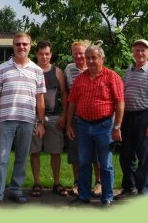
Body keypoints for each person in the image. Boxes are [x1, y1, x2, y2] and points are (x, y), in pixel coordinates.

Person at [0, 32, 46, 208]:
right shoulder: (2, 68)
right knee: (1, 160)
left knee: (22, 158)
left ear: (30, 47)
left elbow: (40, 100)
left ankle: (15, 190)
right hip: (6, 120)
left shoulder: (37, 70)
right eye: (18, 44)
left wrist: (41, 122)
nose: (21, 47)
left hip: (28, 121)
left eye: (24, 44)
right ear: (13, 46)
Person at [66, 45, 124, 206]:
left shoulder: (112, 77)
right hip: (83, 125)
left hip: (104, 126)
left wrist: (117, 127)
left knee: (105, 164)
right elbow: (72, 102)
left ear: (102, 59)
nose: (90, 61)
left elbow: (120, 103)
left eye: (94, 57)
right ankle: (84, 196)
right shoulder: (81, 78)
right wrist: (69, 125)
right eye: (88, 57)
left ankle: (107, 197)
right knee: (84, 162)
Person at [116, 39, 148, 198]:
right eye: (137, 50)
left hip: (144, 117)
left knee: (143, 156)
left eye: (143, 50)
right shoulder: (128, 71)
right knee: (126, 155)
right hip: (128, 117)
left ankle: (143, 190)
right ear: (133, 52)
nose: (140, 53)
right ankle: (129, 187)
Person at [63, 40, 102, 197]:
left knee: (97, 153)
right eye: (75, 53)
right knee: (75, 152)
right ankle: (78, 182)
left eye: (81, 52)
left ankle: (98, 183)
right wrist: (68, 121)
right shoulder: (69, 69)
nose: (79, 56)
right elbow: (68, 96)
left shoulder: (95, 68)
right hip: (76, 118)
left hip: (95, 118)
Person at [29, 40, 68, 198]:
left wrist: (64, 114)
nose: (44, 57)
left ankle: (57, 182)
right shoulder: (30, 70)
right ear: (36, 54)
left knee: (55, 152)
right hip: (33, 117)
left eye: (47, 54)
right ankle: (37, 182)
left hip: (53, 116)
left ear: (51, 54)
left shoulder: (57, 72)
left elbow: (65, 93)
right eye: (41, 54)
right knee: (35, 151)